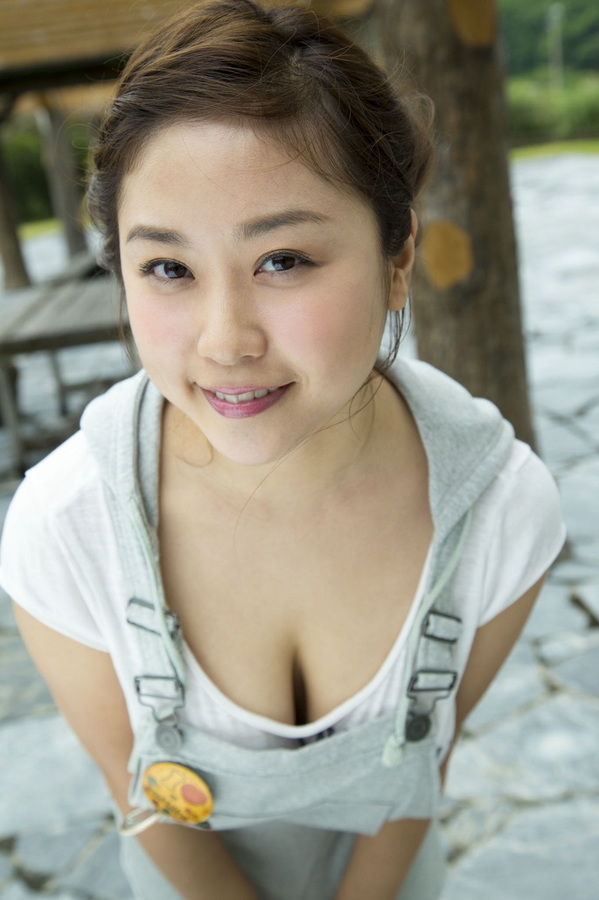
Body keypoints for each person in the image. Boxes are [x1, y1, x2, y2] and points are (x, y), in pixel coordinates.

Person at [0, 2, 565, 899]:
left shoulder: (499, 510)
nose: (226, 341)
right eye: (168, 268)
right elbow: (139, 795)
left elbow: (423, 774)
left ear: (396, 257)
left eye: (283, 260)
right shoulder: (68, 526)